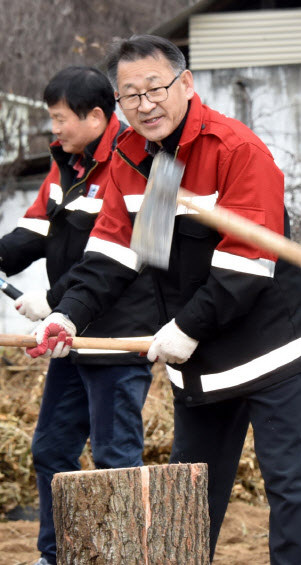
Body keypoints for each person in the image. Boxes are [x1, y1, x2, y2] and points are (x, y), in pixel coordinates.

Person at [28, 35, 301, 564]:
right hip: (199, 358)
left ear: (186, 84)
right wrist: (67, 314)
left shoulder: (235, 149)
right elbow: (117, 254)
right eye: (130, 95)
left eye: (155, 89)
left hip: (266, 345)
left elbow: (246, 263)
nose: (144, 105)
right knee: (190, 494)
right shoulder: (136, 157)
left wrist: (185, 327)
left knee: (290, 485)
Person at [0, 66, 155, 565]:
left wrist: (54, 300)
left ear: (95, 115)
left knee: (114, 460)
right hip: (66, 333)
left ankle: (126, 557)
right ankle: (56, 555)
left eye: (59, 118)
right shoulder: (67, 162)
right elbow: (33, 231)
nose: (54, 129)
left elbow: (115, 257)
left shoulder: (133, 161)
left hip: (115, 335)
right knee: (51, 449)